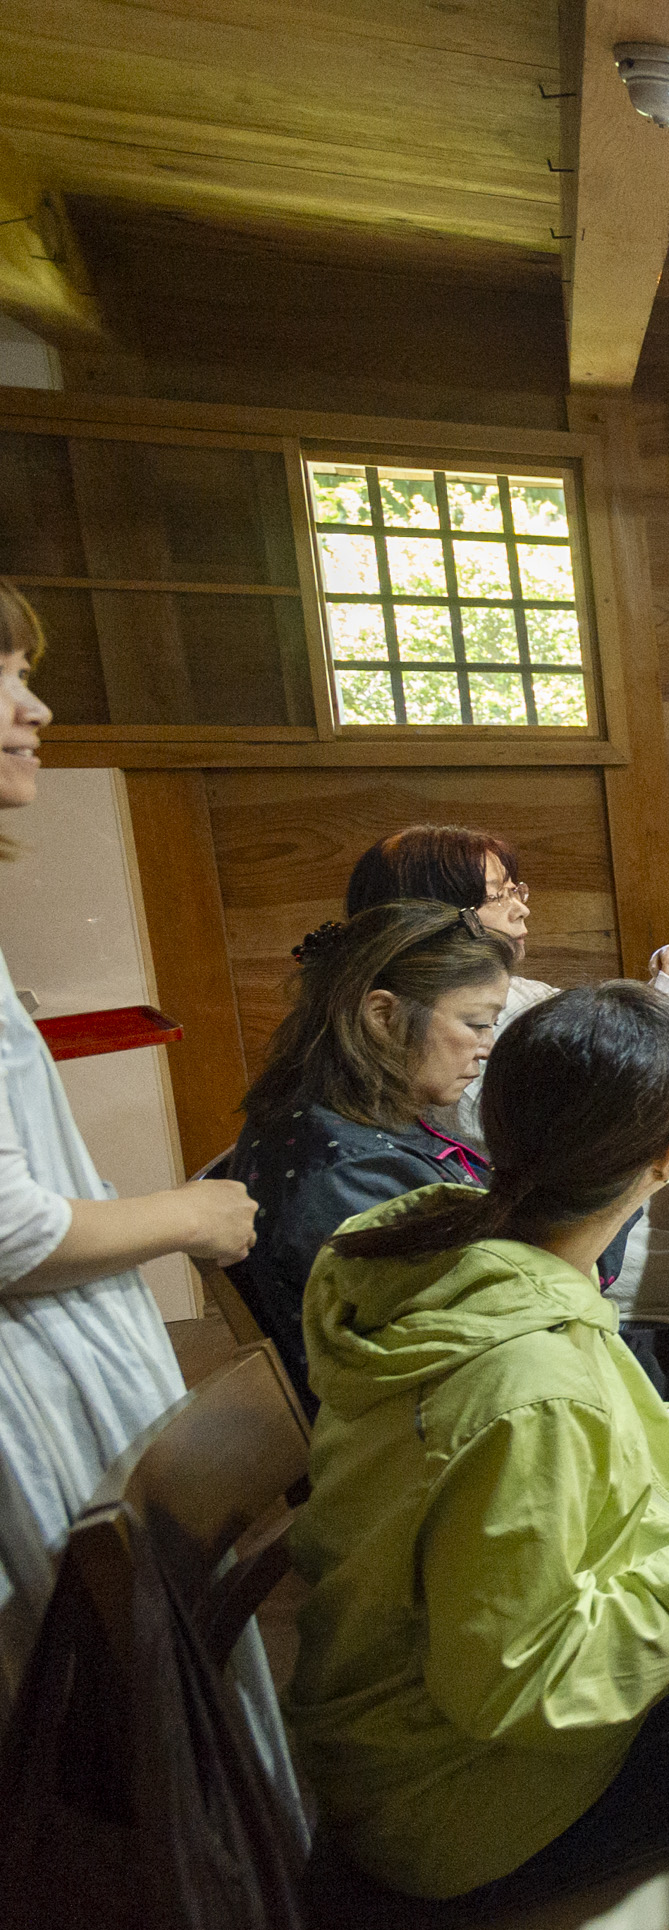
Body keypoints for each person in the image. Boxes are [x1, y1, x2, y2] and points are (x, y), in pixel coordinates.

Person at [287, 980, 669, 1909]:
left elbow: (529, 1468)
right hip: (474, 1805)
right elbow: (523, 1684)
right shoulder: (527, 1379)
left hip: (406, 1745)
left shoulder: (458, 1257)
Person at [0, 581, 261, 1717]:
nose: (37, 706)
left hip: (68, 1343)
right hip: (32, 1382)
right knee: (121, 1728)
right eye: (4, 675)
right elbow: (10, 1226)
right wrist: (191, 1216)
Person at [347, 825, 669, 1383]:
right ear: (432, 913)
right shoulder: (445, 1055)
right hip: (595, 1273)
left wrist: (662, 998)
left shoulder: (501, 991)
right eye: (499, 894)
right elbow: (610, 1125)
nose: (521, 908)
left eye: (517, 888)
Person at [217, 901, 517, 1407]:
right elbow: (470, 1336)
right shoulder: (347, 1173)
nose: (487, 1047)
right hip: (406, 1439)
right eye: (476, 1023)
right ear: (382, 1015)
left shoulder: (335, 1113)